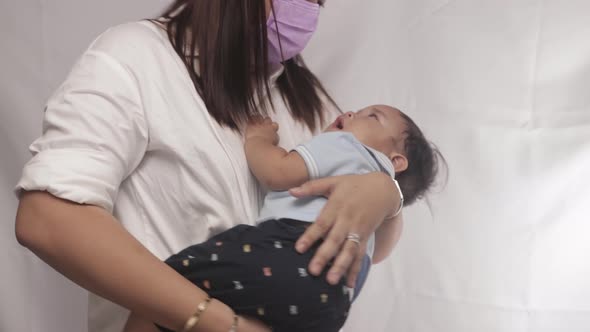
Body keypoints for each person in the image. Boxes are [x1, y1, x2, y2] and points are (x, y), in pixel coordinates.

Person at [14, 1, 405, 332]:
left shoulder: (307, 103)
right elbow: (48, 218)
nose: (305, 10)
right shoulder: (135, 56)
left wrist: (387, 198)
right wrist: (221, 323)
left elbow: (356, 247)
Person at [124, 104, 443, 332]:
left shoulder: (347, 147)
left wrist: (258, 140)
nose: (350, 113)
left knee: (169, 284)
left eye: (371, 116)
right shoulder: (377, 216)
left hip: (290, 254)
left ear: (395, 160)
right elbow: (379, 254)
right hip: (330, 309)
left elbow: (278, 172)